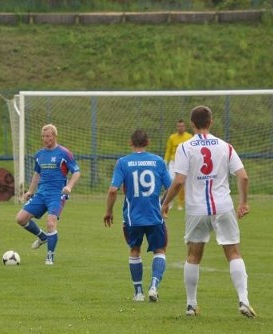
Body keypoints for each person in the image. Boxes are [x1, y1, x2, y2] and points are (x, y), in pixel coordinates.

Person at [161, 105, 256, 318]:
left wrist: (165, 203)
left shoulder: (185, 147)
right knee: (233, 253)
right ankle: (243, 300)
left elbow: (178, 182)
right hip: (222, 207)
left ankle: (191, 304)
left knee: (193, 256)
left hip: (196, 210)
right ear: (211, 122)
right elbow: (243, 176)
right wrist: (243, 202)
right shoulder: (226, 147)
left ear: (192, 125)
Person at [104, 129, 171, 302]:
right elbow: (171, 187)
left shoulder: (123, 163)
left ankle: (139, 292)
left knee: (135, 250)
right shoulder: (158, 162)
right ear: (148, 142)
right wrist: (165, 205)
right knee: (160, 250)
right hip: (155, 215)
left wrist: (109, 211)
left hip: (132, 217)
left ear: (130, 143)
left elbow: (113, 190)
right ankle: (154, 286)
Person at [15, 123, 81, 265]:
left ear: (55, 136)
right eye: (43, 136)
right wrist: (30, 191)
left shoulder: (64, 153)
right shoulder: (40, 154)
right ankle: (43, 237)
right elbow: (37, 173)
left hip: (57, 194)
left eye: (48, 136)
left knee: (51, 222)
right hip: (41, 193)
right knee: (20, 219)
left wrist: (69, 186)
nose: (46, 139)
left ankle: (49, 256)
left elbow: (76, 171)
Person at [164, 119, 192, 211]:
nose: (180, 128)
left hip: (184, 162)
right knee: (171, 181)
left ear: (185, 127)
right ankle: (169, 202)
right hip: (173, 162)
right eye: (179, 126)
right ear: (177, 127)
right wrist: (165, 161)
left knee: (182, 182)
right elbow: (169, 149)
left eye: (182, 126)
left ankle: (180, 203)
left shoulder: (189, 136)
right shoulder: (172, 137)